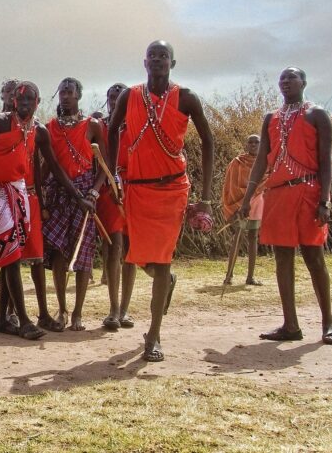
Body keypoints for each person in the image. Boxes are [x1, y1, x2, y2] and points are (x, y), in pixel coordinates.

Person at [107, 41, 214, 362]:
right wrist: (113, 177)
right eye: (152, 56)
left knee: (163, 259)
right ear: (144, 62)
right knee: (135, 255)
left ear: (172, 62)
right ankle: (165, 281)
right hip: (136, 190)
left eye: (163, 56)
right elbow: (112, 131)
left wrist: (206, 199)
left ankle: (153, 335)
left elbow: (208, 141)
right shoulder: (130, 96)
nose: (157, 60)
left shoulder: (187, 97)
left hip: (172, 191)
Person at [0, 82, 94, 341]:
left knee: (11, 253)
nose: (25, 103)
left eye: (30, 98)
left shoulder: (39, 131)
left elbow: (55, 167)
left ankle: (2, 318)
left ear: (38, 102)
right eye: (20, 98)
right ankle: (25, 320)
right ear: (14, 101)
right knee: (13, 253)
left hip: (19, 191)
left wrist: (78, 197)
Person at [240, 67, 332, 345]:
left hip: (309, 192)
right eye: (282, 78)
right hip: (278, 194)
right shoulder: (270, 118)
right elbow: (262, 161)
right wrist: (247, 198)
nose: (286, 81)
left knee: (314, 258)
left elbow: (326, 160)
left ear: (304, 82)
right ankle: (290, 324)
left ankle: (328, 322)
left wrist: (325, 200)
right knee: (282, 258)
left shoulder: (317, 114)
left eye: (292, 77)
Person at [42, 78, 106, 331]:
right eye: (62, 93)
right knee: (58, 252)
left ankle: (78, 312)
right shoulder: (50, 128)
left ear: (79, 95)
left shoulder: (92, 126)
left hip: (85, 197)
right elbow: (47, 164)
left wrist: (94, 192)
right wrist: (40, 193)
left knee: (83, 254)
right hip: (58, 194)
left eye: (70, 92)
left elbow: (104, 166)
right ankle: (62, 310)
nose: (65, 97)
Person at [98, 83, 136, 329]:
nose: (114, 101)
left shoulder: (138, 126)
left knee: (131, 250)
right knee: (114, 246)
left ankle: (125, 309)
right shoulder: (100, 126)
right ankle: (112, 309)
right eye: (111, 97)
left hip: (134, 189)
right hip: (108, 189)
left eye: (119, 97)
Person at [221, 135, 265, 285]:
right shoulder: (237, 162)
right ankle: (229, 276)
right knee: (238, 237)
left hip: (257, 202)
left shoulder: (266, 162)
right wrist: (236, 203)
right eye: (250, 142)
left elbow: (268, 181)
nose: (253, 145)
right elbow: (230, 184)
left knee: (253, 238)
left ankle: (250, 277)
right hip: (240, 204)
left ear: (261, 144)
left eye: (256, 142)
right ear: (246, 145)